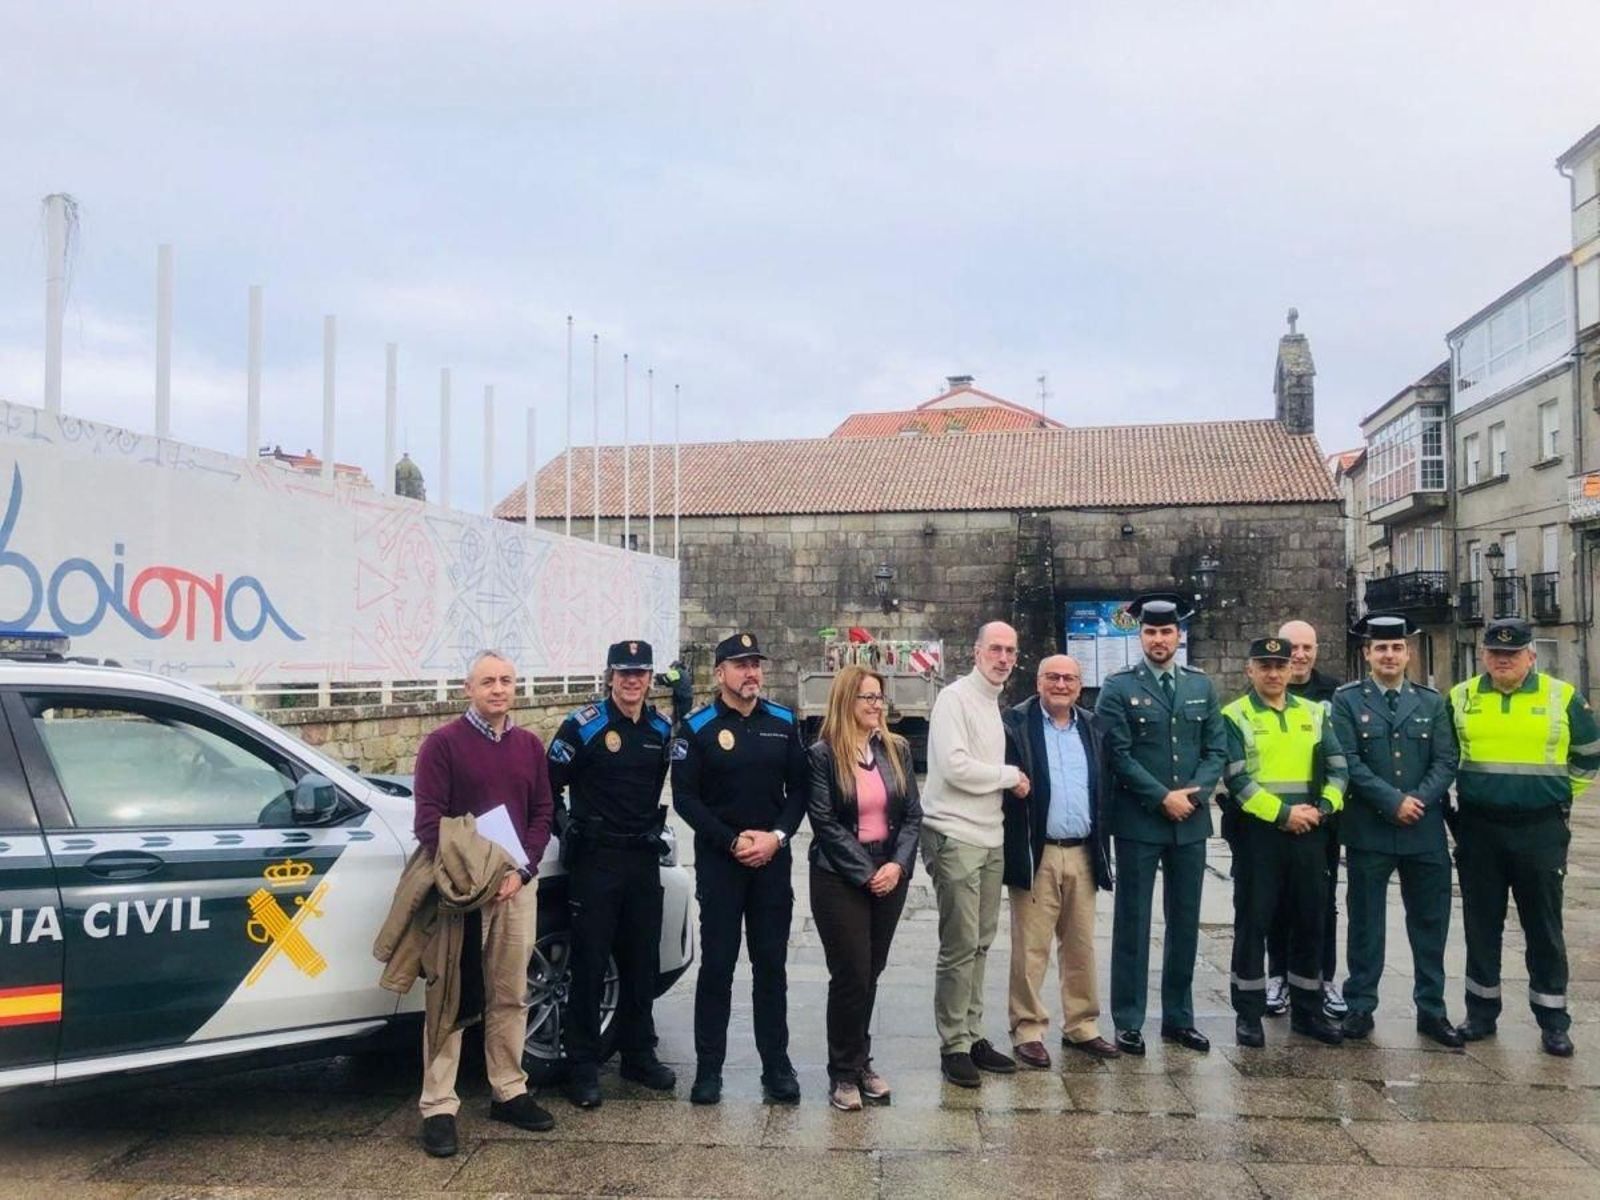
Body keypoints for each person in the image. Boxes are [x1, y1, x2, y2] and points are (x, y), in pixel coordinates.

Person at [411, 650, 556, 1157]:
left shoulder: (529, 746)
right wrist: (477, 875)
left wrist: (523, 871)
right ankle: (438, 1105)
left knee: (511, 993)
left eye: (506, 680)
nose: (498, 689)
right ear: (467, 689)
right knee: (450, 998)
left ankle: (509, 1089)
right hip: (463, 893)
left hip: (516, 888)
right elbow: (428, 823)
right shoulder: (442, 745)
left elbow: (543, 812)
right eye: (488, 681)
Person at [1448, 617, 1600, 1057]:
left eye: (1512, 654)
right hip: (1479, 828)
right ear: (1483, 655)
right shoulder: (1460, 697)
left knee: (1543, 925)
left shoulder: (1562, 696)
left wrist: (1557, 796)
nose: (1503, 660)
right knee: (1481, 923)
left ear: (1530, 656)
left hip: (1540, 829)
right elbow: (1444, 756)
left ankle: (1553, 1020)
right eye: (1496, 653)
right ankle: (1480, 1013)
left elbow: (1589, 755)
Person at [670, 631, 809, 1104]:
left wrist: (777, 837)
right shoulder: (698, 727)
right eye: (740, 665)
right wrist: (730, 841)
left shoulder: (783, 723)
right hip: (721, 865)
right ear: (720, 673)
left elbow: (800, 791)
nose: (751, 673)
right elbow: (685, 798)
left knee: (771, 967)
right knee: (718, 968)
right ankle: (709, 1070)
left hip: (771, 863)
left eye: (755, 664)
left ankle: (777, 1066)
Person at [547, 640, 678, 1109]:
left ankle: (638, 1054)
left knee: (641, 961)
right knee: (590, 962)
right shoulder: (583, 726)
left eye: (640, 673)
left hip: (641, 859)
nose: (632, 681)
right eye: (624, 673)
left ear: (650, 678)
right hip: (596, 861)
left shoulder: (661, 729)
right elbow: (548, 785)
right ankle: (582, 1065)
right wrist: (566, 829)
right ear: (609, 677)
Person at [1095, 594, 1226, 1057]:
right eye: (1150, 632)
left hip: (1190, 822)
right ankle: (1129, 1020)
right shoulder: (1118, 687)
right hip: (1139, 821)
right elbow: (1117, 754)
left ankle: (1179, 1018)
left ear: (1178, 635)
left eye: (1166, 632)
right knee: (1133, 922)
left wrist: (1193, 795)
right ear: (1140, 635)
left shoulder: (1200, 685)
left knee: (1185, 922)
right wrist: (1161, 797)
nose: (1158, 639)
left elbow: (1216, 750)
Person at [1328, 614, 1462, 1048]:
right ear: (1367, 653)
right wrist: (1392, 801)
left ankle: (1432, 1009)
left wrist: (1416, 800)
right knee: (1366, 923)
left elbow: (1446, 759)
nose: (1390, 655)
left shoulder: (1431, 702)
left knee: (1430, 923)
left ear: (1408, 653)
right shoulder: (1347, 701)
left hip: (1423, 830)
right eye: (1381, 648)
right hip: (1369, 829)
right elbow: (1347, 760)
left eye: (1397, 648)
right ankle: (1360, 1005)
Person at [1222, 636, 1349, 1048]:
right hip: (1259, 835)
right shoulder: (1234, 715)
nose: (1274, 674)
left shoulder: (1314, 712)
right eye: (1265, 666)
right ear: (1251, 671)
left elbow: (1339, 768)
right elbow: (1237, 779)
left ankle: (1308, 1011)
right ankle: (1249, 1013)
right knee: (1253, 923)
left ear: (1291, 669)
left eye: (1280, 666)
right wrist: (1283, 814)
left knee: (1310, 920)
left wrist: (1323, 808)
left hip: (1310, 830)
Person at [806, 665, 922, 1111]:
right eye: (868, 697)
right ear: (846, 701)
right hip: (839, 876)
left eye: (879, 697)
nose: (877, 705)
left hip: (889, 871)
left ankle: (860, 1062)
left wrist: (897, 865)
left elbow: (912, 814)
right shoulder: (821, 755)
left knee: (871, 969)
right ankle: (842, 1072)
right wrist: (865, 872)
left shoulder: (896, 749)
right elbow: (824, 822)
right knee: (851, 972)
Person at [920, 621, 1027, 1087]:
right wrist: (1010, 776)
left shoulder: (991, 702)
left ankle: (973, 1032)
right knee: (960, 945)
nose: (1003, 658)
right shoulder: (954, 699)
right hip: (955, 834)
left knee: (981, 943)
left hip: (990, 836)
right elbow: (954, 766)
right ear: (976, 652)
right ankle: (954, 1044)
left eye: (1010, 651)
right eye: (995, 649)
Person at [1001, 654, 1117, 1068]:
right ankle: (1028, 1029)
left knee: (1081, 943)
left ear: (1080, 685)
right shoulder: (1015, 724)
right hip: (1039, 849)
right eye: (1052, 677)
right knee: (1031, 947)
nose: (1061, 685)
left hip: (1083, 849)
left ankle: (1082, 1025)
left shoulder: (1094, 727)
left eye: (1069, 678)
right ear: (1038, 682)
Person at [1269, 618, 1345, 1020]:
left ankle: (1322, 977)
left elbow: (1342, 757)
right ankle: (1278, 975)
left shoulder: (1335, 694)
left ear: (1316, 650)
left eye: (1306, 648)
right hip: (1273, 819)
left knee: (1323, 902)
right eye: (1292, 647)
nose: (1299, 655)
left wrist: (1325, 807)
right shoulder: (1261, 691)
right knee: (1275, 901)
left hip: (1321, 820)